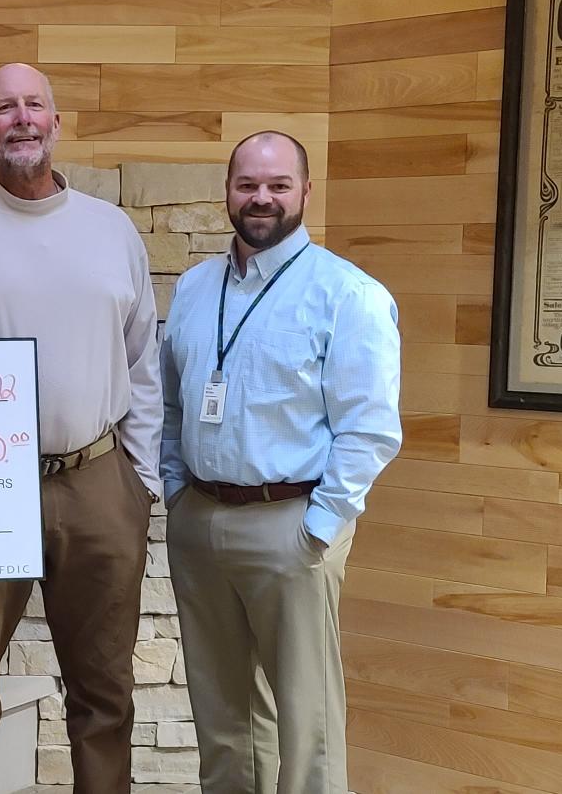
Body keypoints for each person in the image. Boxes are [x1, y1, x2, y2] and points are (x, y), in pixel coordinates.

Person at [0, 63, 162, 793]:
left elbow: (143, 360)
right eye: (4, 108)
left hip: (96, 480)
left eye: (34, 105)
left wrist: (138, 482)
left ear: (55, 123)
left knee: (104, 695)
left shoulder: (111, 231)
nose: (21, 118)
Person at [159, 131, 401, 794]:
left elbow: (370, 429)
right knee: (223, 718)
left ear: (305, 192)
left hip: (290, 526)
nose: (260, 197)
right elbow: (174, 402)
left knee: (307, 723)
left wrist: (319, 528)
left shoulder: (347, 294)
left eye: (277, 185)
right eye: (247, 184)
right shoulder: (194, 288)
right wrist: (177, 488)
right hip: (199, 519)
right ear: (227, 191)